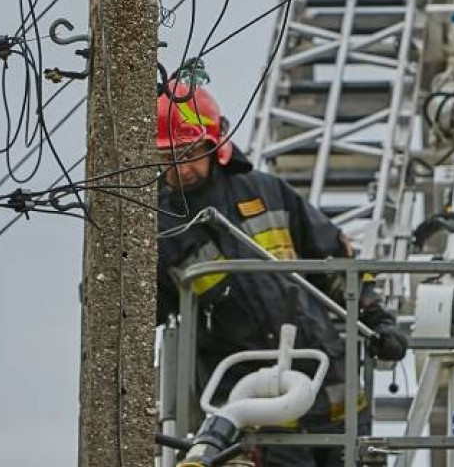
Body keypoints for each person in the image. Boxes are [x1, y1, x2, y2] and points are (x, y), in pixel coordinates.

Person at [155, 80, 408, 467]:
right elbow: (134, 313)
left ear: (214, 144)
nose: (182, 168)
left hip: (332, 397)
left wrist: (378, 321)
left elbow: (335, 264)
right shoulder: (159, 233)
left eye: (191, 152)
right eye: (169, 157)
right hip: (250, 413)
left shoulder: (267, 192)